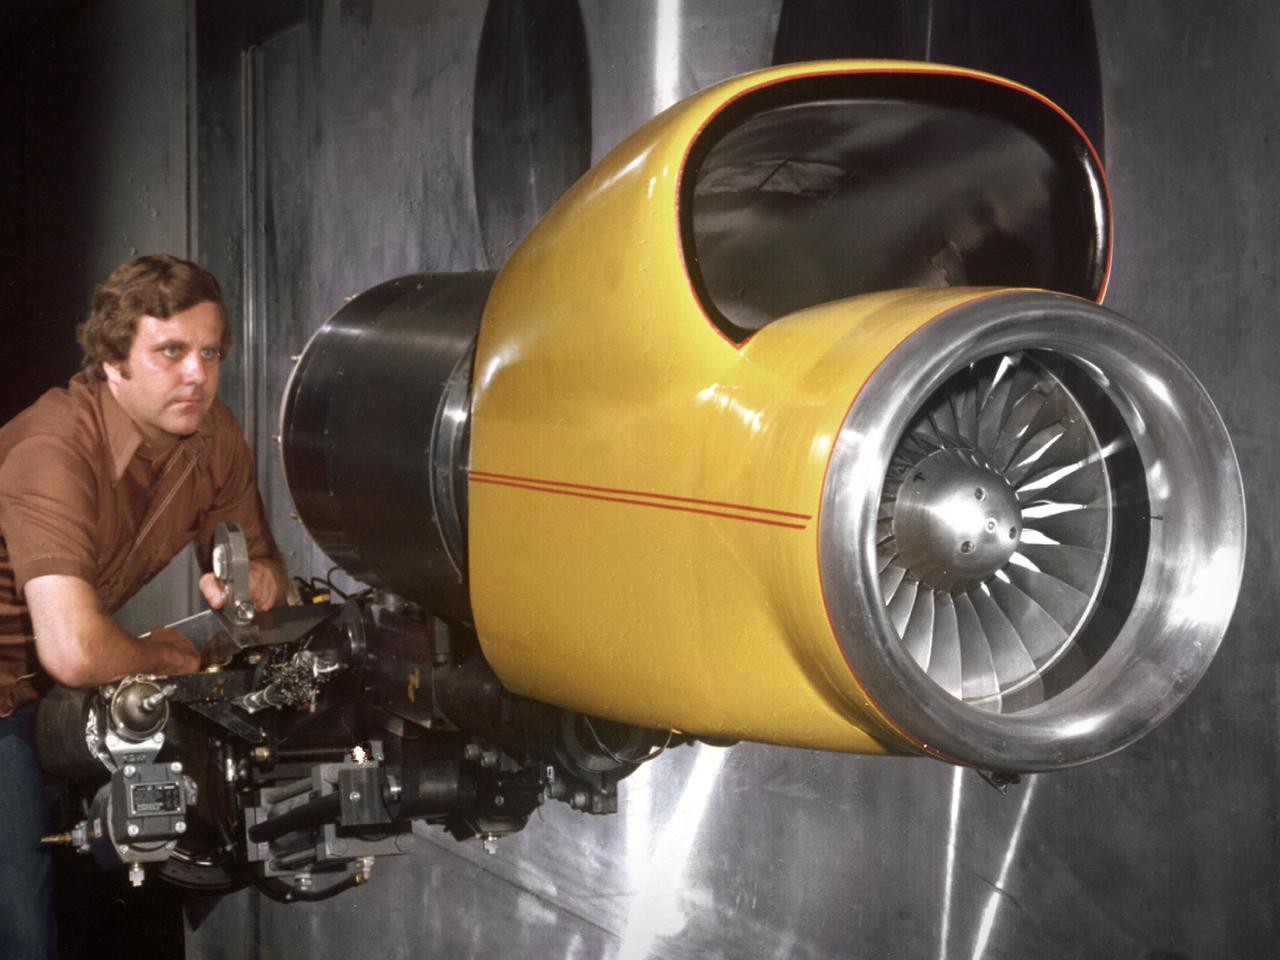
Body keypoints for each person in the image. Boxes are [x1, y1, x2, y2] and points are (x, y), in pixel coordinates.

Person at [0, 254, 288, 959]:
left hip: (59, 686)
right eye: (170, 352)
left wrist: (248, 582)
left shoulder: (212, 435)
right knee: (24, 934)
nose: (197, 374)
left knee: (164, 875)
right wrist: (172, 656)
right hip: (8, 692)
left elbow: (262, 565)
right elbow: (73, 648)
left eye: (209, 352)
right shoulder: (53, 447)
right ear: (111, 360)